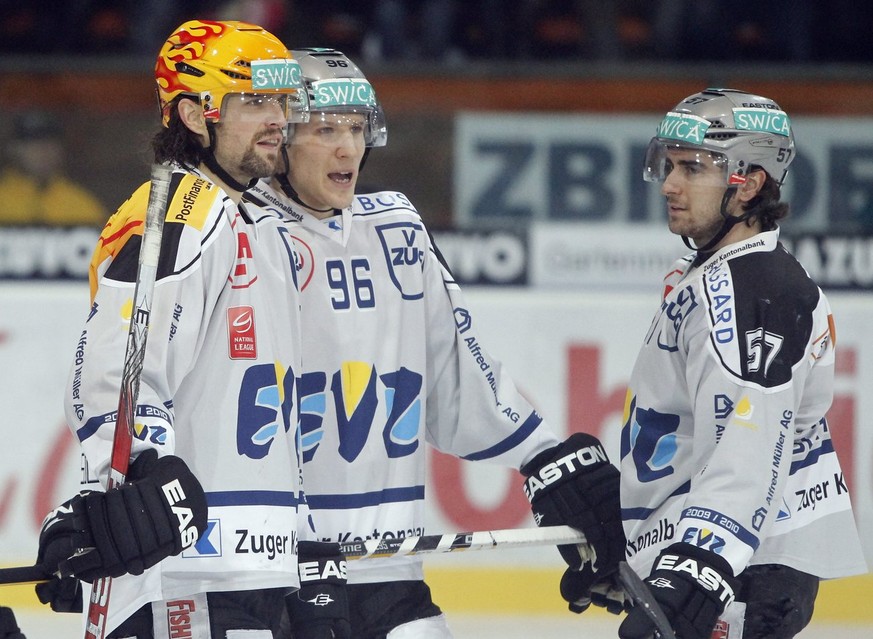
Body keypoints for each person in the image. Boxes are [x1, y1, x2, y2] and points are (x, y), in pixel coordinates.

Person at [244, 48, 626, 638]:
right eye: (325, 129)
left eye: (356, 128)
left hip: (388, 567)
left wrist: (542, 455)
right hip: (268, 573)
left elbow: (456, 369)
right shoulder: (239, 234)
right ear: (280, 140)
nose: (349, 148)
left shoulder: (396, 226)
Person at [33, 19, 350, 639]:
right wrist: (134, 476)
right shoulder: (181, 212)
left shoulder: (260, 221)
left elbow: (273, 419)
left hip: (256, 570)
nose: (278, 119)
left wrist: (304, 542)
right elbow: (117, 371)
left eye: (282, 102)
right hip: (185, 581)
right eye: (253, 101)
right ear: (195, 115)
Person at [617, 88, 868, 639]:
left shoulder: (755, 292)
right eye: (669, 164)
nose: (670, 184)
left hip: (740, 575)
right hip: (722, 560)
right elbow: (686, 438)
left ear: (749, 182)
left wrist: (699, 569)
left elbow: (747, 446)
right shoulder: (718, 273)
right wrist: (629, 545)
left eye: (692, 168)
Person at [0, 110, 107, 226]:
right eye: (33, 143)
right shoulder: (3, 198)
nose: (43, 150)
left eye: (50, 143)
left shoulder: (80, 203)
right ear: (14, 149)